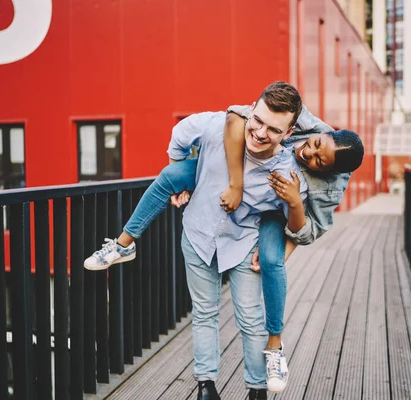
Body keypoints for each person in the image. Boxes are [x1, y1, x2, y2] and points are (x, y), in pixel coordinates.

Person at [85, 82, 364, 398]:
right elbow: (219, 123)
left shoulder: (302, 179)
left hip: (253, 232)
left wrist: (291, 219)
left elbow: (302, 228)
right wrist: (191, 179)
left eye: (274, 129)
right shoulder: (231, 124)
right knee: (203, 309)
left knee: (258, 296)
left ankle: (265, 369)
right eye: (257, 121)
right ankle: (205, 384)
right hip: (200, 232)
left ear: (289, 134)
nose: (260, 132)